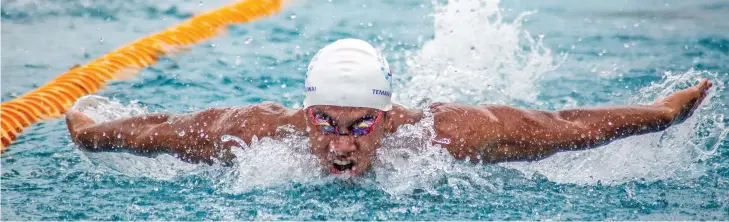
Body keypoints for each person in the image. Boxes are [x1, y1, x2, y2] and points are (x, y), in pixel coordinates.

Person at [65, 38, 714, 175]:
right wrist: (90, 131)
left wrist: (660, 115)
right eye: (325, 124)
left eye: (360, 127)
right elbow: (156, 131)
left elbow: (564, 130)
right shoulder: (254, 135)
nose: (340, 145)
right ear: (305, 113)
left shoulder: (449, 135)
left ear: (388, 117)